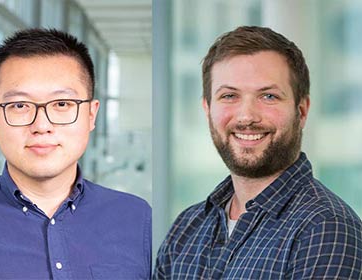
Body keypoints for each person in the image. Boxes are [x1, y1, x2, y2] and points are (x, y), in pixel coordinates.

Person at [154, 26, 362, 279]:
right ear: (207, 109)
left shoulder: (325, 227)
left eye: (269, 96)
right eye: (229, 95)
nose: (247, 116)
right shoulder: (187, 226)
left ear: (302, 110)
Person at [0, 28, 151, 279]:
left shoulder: (138, 218)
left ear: (91, 115)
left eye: (62, 104)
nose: (41, 126)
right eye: (19, 105)